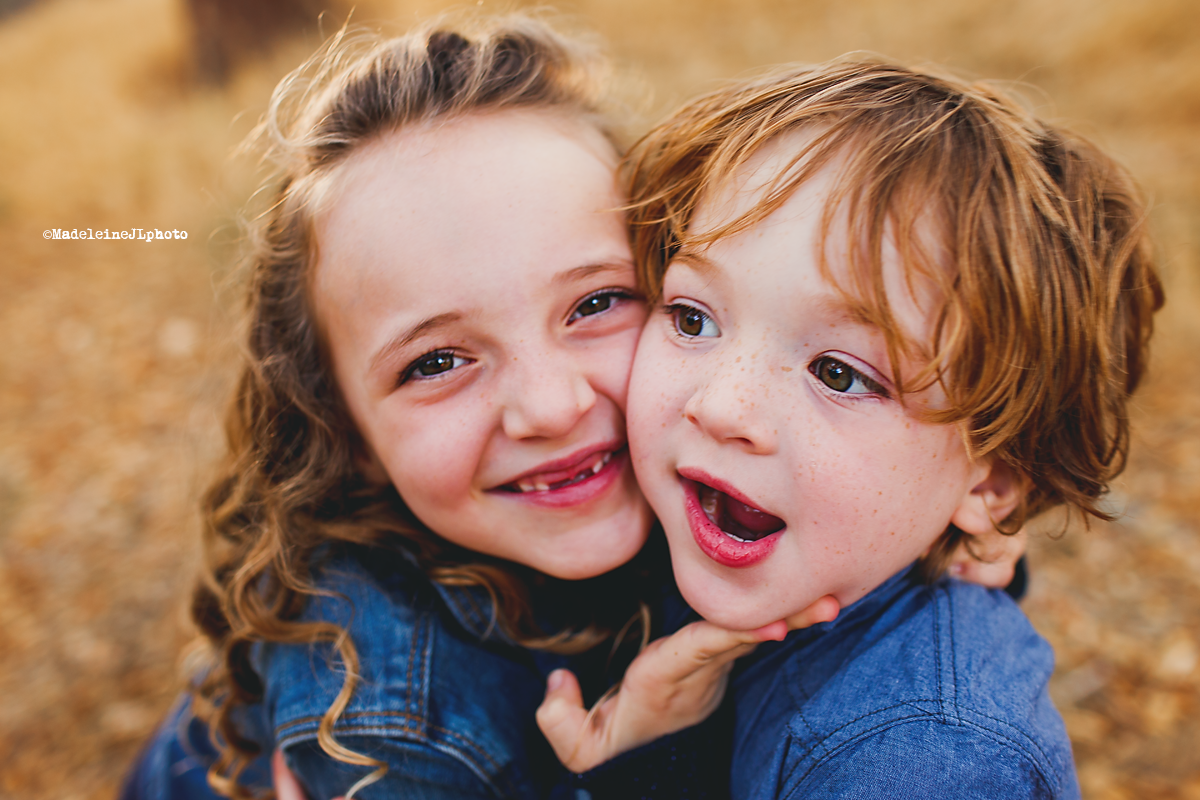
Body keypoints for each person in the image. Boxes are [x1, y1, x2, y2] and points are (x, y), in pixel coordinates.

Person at [121, 21, 1025, 800]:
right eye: (436, 361)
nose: (551, 408)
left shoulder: (697, 463)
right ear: (346, 437)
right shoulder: (386, 721)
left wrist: (940, 520)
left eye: (597, 304)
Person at [619, 57, 1162, 798]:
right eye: (692, 318)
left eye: (839, 373)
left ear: (991, 478)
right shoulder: (786, 534)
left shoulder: (923, 763)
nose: (721, 406)